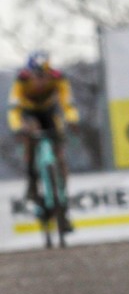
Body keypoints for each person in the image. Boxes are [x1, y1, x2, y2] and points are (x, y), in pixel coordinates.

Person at [7, 50, 79, 211]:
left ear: (49, 73)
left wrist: (72, 119)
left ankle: (62, 195)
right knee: (30, 138)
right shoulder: (22, 80)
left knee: (59, 152)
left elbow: (67, 103)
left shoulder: (58, 78)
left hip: (49, 112)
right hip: (29, 114)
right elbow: (14, 108)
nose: (40, 80)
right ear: (30, 73)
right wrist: (17, 128)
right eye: (36, 75)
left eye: (43, 76)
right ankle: (32, 186)